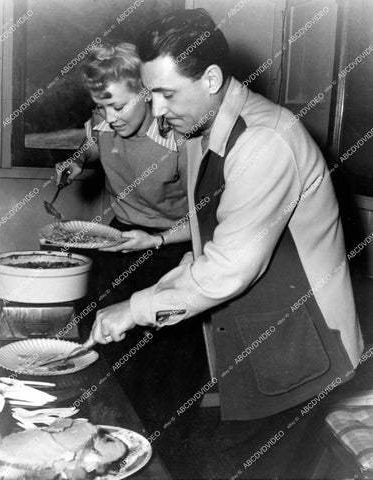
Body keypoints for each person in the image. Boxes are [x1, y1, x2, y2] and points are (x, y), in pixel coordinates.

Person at [84, 10, 363, 424]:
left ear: (211, 80)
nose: (157, 110)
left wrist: (134, 309)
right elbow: (204, 249)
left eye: (167, 93)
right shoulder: (205, 133)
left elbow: (229, 267)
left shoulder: (262, 141)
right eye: (150, 94)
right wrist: (140, 300)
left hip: (305, 352)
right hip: (265, 346)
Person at [56, 42, 207, 433]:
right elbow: (93, 143)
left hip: (173, 248)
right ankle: (103, 436)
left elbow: (208, 219)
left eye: (119, 107)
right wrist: (76, 161)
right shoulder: (103, 119)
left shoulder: (180, 138)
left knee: (163, 372)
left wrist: (155, 241)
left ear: (147, 94)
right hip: (119, 241)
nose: (110, 117)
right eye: (101, 107)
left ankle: (159, 450)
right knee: (105, 348)